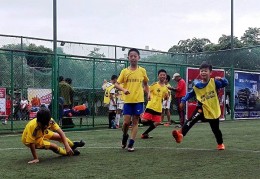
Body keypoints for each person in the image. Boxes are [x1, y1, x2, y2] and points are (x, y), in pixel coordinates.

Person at [172, 61, 228, 150]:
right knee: (191, 120)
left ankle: (220, 143)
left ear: (210, 72)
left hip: (213, 109)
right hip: (201, 108)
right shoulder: (197, 85)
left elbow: (225, 83)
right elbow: (190, 94)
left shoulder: (214, 82)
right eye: (201, 71)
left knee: (215, 129)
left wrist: (221, 79)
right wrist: (183, 101)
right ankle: (180, 134)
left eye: (205, 70)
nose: (203, 72)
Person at [114, 48, 149, 152]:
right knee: (125, 123)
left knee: (135, 122)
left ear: (139, 57)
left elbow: (146, 85)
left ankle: (131, 143)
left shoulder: (142, 71)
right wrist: (124, 89)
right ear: (128, 58)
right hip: (128, 101)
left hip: (139, 100)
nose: (133, 58)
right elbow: (116, 84)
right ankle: (125, 135)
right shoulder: (125, 71)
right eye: (131, 56)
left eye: (135, 56)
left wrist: (149, 93)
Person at [140, 69, 169, 139]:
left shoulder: (165, 88)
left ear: (166, 76)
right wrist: (148, 95)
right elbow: (147, 90)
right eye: (161, 75)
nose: (162, 76)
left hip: (158, 107)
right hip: (151, 105)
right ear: (158, 76)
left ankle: (144, 134)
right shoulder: (154, 84)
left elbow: (165, 97)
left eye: (164, 75)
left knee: (157, 122)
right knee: (143, 120)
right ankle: (139, 116)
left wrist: (166, 97)